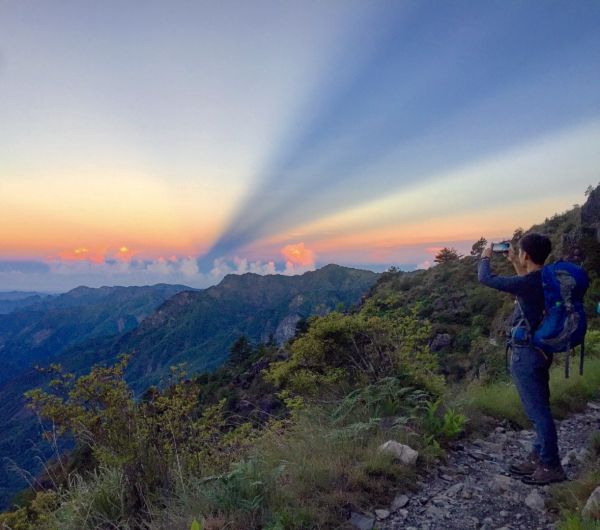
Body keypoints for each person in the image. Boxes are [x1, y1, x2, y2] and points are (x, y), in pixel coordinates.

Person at [477, 232, 567, 485]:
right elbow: (527, 286)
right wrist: (515, 262)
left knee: (538, 413)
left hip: (527, 353)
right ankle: (538, 457)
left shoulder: (530, 283)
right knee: (541, 407)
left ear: (526, 254)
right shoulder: (543, 279)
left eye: (520, 252)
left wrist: (485, 254)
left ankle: (551, 465)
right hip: (540, 351)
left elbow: (485, 278)